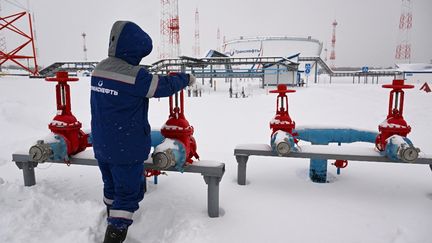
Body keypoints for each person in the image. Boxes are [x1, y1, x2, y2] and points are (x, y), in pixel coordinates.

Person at [90, 20, 195, 243]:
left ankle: (110, 216)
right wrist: (184, 78)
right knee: (127, 196)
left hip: (102, 145)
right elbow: (162, 86)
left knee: (111, 188)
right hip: (125, 148)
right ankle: (114, 234)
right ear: (133, 49)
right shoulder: (135, 76)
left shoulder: (99, 69)